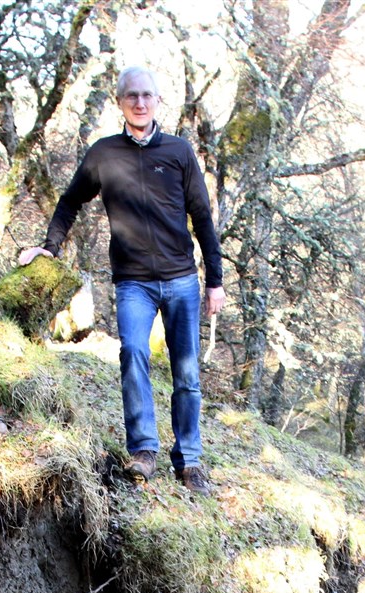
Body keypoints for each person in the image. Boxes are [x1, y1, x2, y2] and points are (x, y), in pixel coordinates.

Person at [18, 65, 225, 495]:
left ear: (158, 101)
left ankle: (189, 460)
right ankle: (144, 451)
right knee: (133, 354)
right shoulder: (103, 154)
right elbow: (70, 201)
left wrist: (215, 281)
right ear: (120, 101)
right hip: (133, 281)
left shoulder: (179, 152)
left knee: (186, 371)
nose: (140, 102)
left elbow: (202, 216)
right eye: (132, 96)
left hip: (182, 280)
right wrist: (49, 248)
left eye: (147, 95)